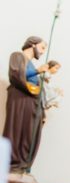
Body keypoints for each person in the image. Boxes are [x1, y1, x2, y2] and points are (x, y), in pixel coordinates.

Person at [3, 36, 48, 174]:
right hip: (20, 99)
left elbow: (37, 87)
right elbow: (16, 73)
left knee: (30, 132)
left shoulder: (32, 65)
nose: (43, 51)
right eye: (42, 47)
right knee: (17, 129)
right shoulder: (18, 56)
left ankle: (24, 164)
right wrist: (37, 71)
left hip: (32, 103)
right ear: (33, 44)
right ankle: (13, 164)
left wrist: (43, 110)